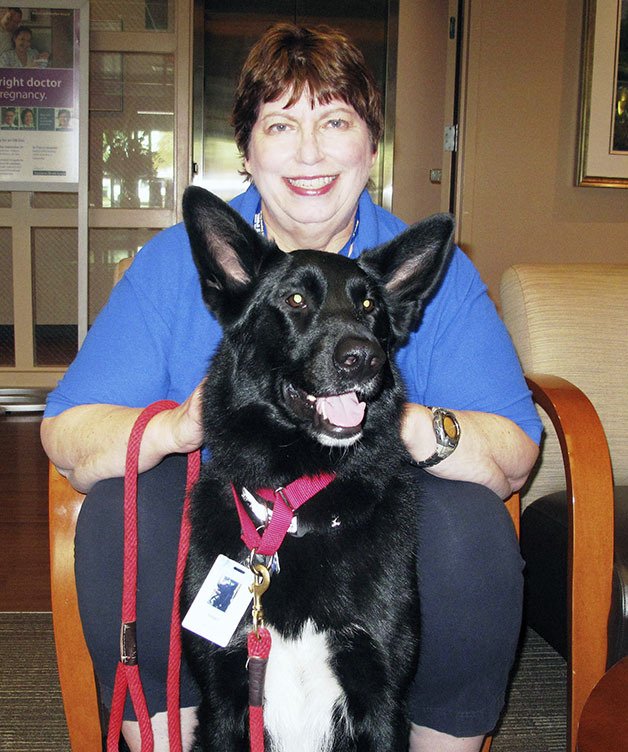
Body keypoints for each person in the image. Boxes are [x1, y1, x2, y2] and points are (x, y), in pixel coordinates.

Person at [41, 22, 541, 752]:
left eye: (335, 120)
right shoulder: (178, 265)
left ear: (371, 147)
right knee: (128, 508)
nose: (310, 152)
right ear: (246, 151)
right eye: (281, 124)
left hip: (363, 537)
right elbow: (66, 432)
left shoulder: (422, 275)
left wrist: (388, 418)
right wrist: (183, 429)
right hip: (229, 528)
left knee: (470, 530)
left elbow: (516, 454)